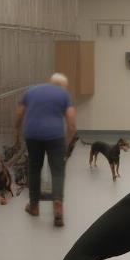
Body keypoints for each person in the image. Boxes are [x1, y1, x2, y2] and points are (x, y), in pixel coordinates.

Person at [14, 73, 76, 227]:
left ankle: (34, 206)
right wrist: (66, 142)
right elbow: (71, 121)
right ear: (62, 86)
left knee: (34, 169)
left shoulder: (32, 90)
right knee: (57, 171)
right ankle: (58, 208)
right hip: (55, 136)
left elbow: (19, 113)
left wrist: (16, 129)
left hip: (32, 134)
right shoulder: (64, 94)